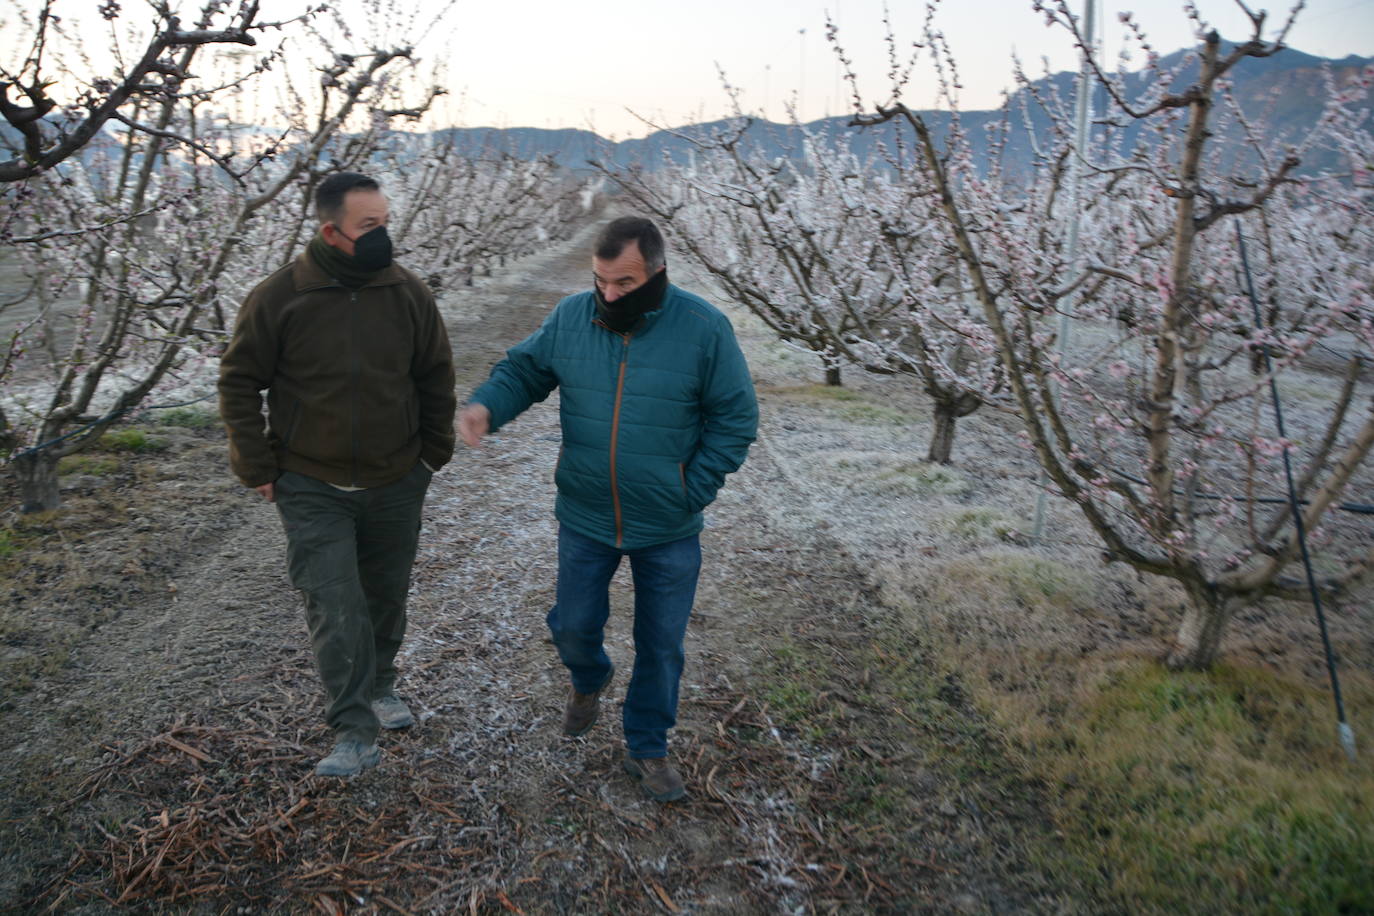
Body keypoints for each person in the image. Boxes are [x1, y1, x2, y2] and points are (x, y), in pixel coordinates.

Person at [459, 216, 757, 802]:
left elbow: (735, 419)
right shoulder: (574, 316)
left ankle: (647, 746)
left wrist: (690, 489)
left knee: (661, 643)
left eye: (623, 283)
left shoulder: (703, 329)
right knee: (572, 626)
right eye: (601, 281)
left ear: (657, 273)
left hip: (668, 526)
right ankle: (589, 679)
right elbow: (526, 369)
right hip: (587, 515)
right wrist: (487, 406)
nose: (610, 294)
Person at [218, 172, 456, 777]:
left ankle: (381, 683)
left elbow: (435, 374)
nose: (383, 236)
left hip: (396, 476)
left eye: (385, 222)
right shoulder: (280, 297)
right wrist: (257, 464)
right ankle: (353, 728)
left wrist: (432, 455)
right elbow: (239, 380)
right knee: (334, 603)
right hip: (310, 482)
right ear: (331, 231)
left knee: (384, 595)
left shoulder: (407, 293)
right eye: (369, 226)